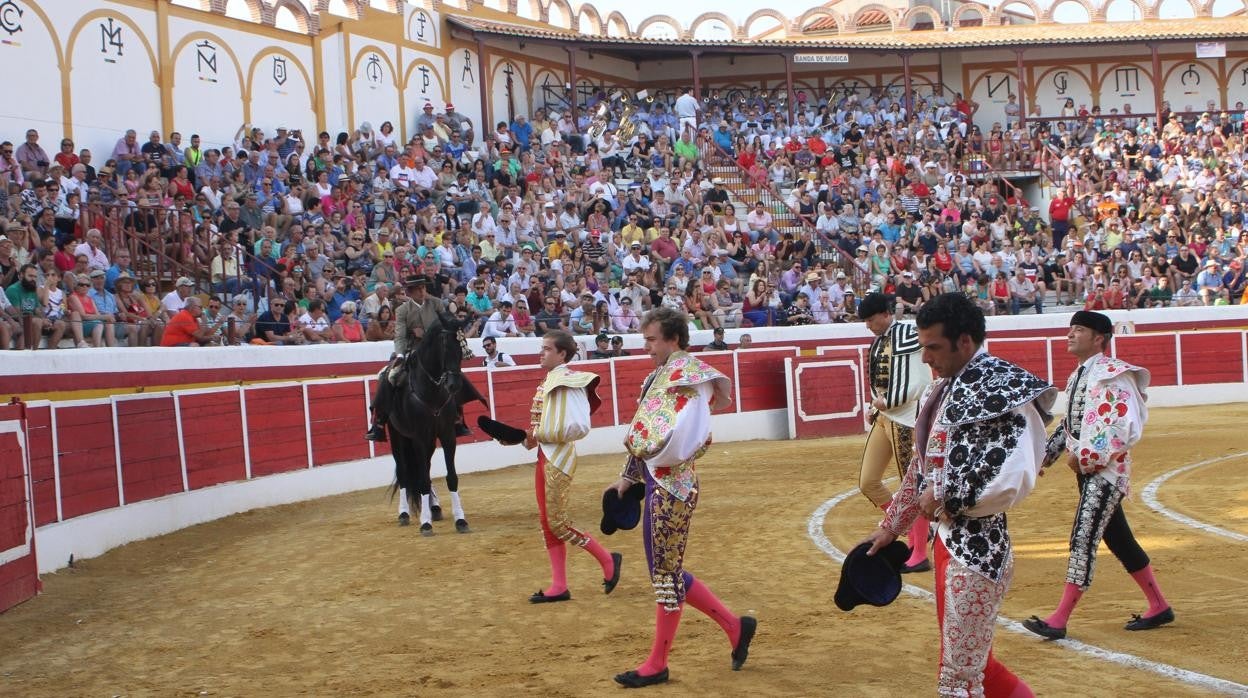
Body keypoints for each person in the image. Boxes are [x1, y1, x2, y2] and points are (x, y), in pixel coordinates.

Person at [861, 292, 1056, 698]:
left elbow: (1013, 475)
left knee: (958, 679)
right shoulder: (946, 388)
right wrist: (891, 527)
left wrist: (946, 500)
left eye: (933, 347)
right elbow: (920, 469)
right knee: (975, 665)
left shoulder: (1000, 390)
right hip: (950, 546)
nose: (926, 358)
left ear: (964, 341)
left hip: (978, 554)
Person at [606, 306, 757, 688]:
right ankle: (735, 627)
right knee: (666, 572)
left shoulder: (690, 379)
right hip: (660, 481)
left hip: (673, 486)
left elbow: (685, 440)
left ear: (673, 338)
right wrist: (627, 479)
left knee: (665, 574)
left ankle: (658, 662)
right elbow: (643, 429)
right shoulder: (660, 376)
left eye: (652, 339)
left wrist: (652, 465)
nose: (647, 347)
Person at [1023, 311, 1173, 641]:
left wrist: (1086, 459)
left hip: (1106, 472)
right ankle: (1159, 605)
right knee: (1120, 540)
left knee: (1083, 536)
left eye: (1079, 330)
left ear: (1099, 339)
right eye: (1070, 329)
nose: (1070, 335)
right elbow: (1070, 424)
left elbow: (1122, 428)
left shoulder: (1113, 376)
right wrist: (1043, 457)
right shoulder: (1082, 374)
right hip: (1092, 470)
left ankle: (1059, 619)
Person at [521, 330, 622, 603]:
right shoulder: (551, 380)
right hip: (545, 454)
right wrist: (530, 439)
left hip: (560, 458)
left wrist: (541, 434)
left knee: (558, 522)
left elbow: (579, 427)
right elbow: (545, 426)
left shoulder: (571, 381)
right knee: (547, 522)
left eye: (546, 349)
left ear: (562, 354)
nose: (541, 353)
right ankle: (559, 585)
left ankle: (607, 559)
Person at [857, 292, 933, 573]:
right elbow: (879, 381)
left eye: (870, 319)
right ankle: (912, 531)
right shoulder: (880, 340)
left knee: (914, 488)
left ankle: (919, 553)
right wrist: (875, 404)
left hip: (907, 422)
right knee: (868, 482)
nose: (868, 325)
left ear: (885, 313)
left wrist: (887, 401)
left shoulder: (909, 334)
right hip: (884, 418)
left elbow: (923, 382)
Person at [365, 276, 472, 441]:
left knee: (455, 374)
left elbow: (449, 326)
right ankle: (379, 422)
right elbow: (399, 335)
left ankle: (458, 418)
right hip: (412, 351)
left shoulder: (436, 303)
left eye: (423, 288)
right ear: (410, 292)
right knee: (389, 376)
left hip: (436, 353)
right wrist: (400, 353)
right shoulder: (402, 310)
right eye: (418, 289)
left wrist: (428, 334)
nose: (422, 291)